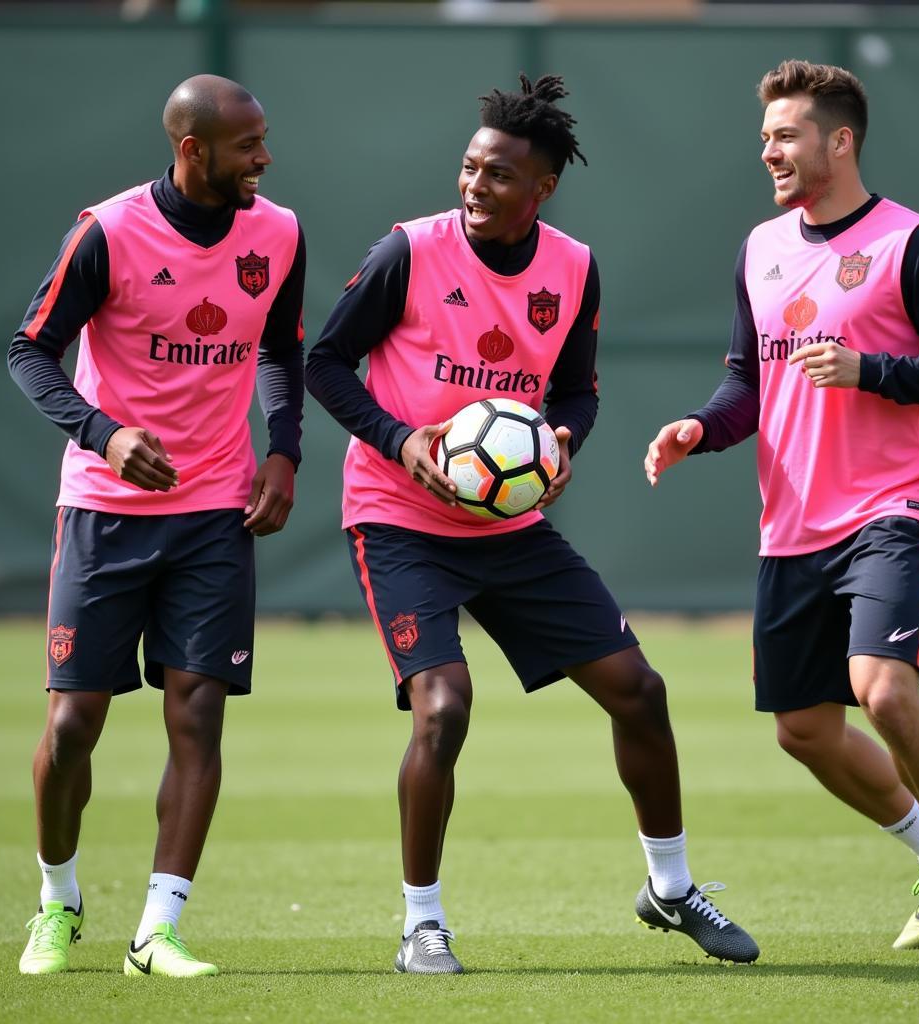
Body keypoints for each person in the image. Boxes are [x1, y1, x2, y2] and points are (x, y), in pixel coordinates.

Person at [305, 73, 759, 974]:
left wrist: (559, 444)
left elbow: (579, 392)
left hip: (509, 527)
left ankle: (670, 889)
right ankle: (422, 924)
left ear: (542, 188)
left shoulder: (575, 267)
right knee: (443, 709)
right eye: (471, 168)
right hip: (400, 519)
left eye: (500, 175)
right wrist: (403, 443)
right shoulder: (409, 250)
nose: (476, 185)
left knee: (641, 690)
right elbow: (325, 362)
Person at [645, 59, 919, 963]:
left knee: (881, 687)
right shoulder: (761, 248)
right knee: (805, 731)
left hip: (897, 504)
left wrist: (872, 370)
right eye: (766, 134)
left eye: (786, 134)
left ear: (840, 142)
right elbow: (747, 382)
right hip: (794, 522)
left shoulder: (911, 241)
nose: (767, 148)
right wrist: (700, 426)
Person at [9, 74, 306, 978]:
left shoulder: (279, 231)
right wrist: (104, 433)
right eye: (248, 144)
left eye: (264, 139)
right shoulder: (108, 232)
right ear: (193, 150)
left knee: (199, 714)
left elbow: (282, 346)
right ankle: (57, 902)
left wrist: (283, 451)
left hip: (214, 511)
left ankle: (158, 930)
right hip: (104, 511)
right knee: (72, 727)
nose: (264, 157)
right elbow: (30, 349)